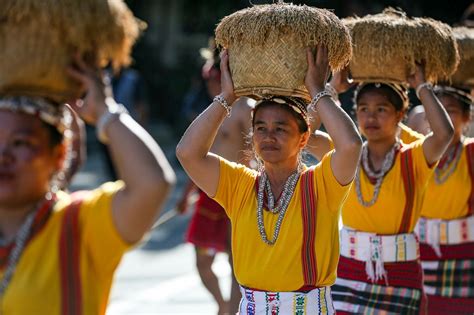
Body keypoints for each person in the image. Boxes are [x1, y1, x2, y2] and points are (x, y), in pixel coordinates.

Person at [176, 45, 362, 313]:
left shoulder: (320, 184)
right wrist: (226, 98)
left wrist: (319, 89)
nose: (268, 137)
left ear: (303, 139)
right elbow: (187, 153)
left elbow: (351, 146)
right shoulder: (240, 184)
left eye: (280, 128)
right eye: (260, 128)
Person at [0, 54, 176, 314]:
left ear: (59, 154)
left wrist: (105, 111)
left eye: (21, 143)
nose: (3, 155)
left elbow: (152, 184)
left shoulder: (78, 224)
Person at [308, 66, 454, 314]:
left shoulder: (413, 158)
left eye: (381, 109)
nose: (371, 117)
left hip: (399, 274)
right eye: (364, 109)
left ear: (400, 114)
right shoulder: (346, 154)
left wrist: (422, 86)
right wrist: (330, 89)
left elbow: (444, 134)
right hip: (348, 270)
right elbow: (302, 134)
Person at [177, 40, 254, 315]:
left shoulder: (245, 109)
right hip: (208, 194)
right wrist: (186, 194)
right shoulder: (210, 112)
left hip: (235, 194)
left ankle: (232, 311)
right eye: (208, 76)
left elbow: (258, 153)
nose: (211, 81)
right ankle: (222, 306)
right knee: (202, 261)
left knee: (236, 263)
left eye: (216, 76)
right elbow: (195, 156)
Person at [411, 86, 474, 314]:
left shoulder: (471, 152)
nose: (445, 117)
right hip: (418, 254)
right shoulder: (416, 150)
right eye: (439, 110)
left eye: (452, 110)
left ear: (467, 118)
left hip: (464, 254)